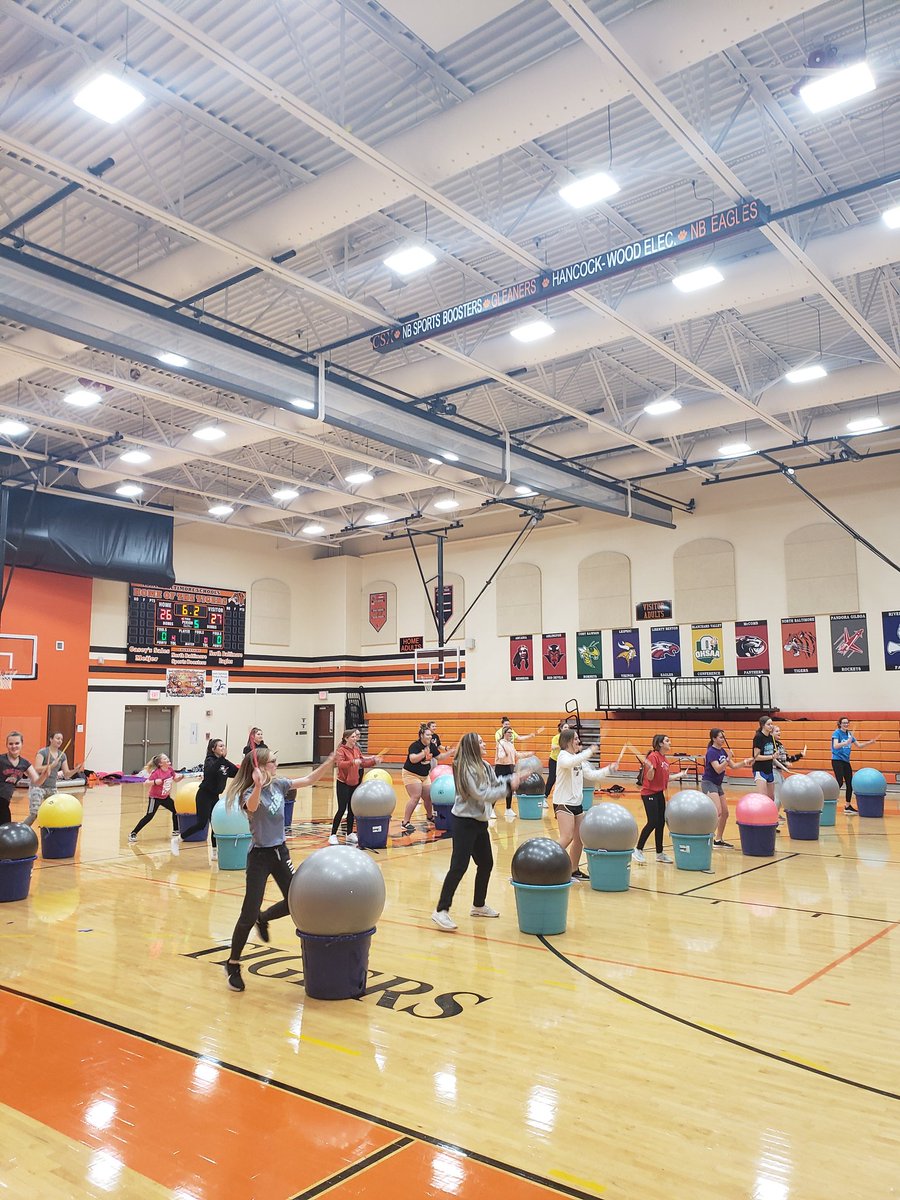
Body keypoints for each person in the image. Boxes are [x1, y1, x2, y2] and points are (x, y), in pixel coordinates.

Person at [224, 746, 335, 992]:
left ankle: (263, 918)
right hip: (260, 857)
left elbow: (307, 780)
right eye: (272, 762)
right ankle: (232, 963)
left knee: (295, 900)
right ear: (260, 767)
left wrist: (329, 762)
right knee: (247, 912)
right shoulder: (250, 792)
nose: (276, 765)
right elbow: (252, 808)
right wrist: (259, 786)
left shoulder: (280, 784)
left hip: (280, 852)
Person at [432, 732, 519, 931]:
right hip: (464, 822)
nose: (484, 743)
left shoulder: (485, 765)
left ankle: (478, 905)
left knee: (486, 863)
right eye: (480, 741)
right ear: (472, 746)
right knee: (459, 866)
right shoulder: (465, 768)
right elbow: (481, 794)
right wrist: (507, 788)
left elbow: (495, 783)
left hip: (479, 821)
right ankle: (441, 910)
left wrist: (510, 779)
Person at [554, 729, 625, 879]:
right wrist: (588, 752)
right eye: (575, 739)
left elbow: (592, 775)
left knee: (579, 839)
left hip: (577, 804)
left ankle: (573, 870)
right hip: (563, 803)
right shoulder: (563, 756)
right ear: (567, 742)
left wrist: (609, 769)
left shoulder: (579, 760)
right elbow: (569, 763)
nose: (578, 741)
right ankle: (548, 861)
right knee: (566, 837)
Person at [631, 734, 686, 864]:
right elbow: (650, 778)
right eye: (667, 740)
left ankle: (659, 853)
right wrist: (650, 769)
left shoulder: (665, 760)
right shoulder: (653, 756)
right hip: (649, 793)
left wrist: (680, 774)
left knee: (660, 822)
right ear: (660, 744)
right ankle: (638, 849)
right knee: (653, 821)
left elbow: (666, 778)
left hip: (659, 793)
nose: (670, 742)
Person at [180, 738, 239, 854]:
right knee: (201, 824)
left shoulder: (224, 762)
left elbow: (236, 773)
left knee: (215, 824)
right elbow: (211, 771)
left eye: (224, 746)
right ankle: (179, 839)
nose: (223, 748)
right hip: (204, 795)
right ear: (213, 749)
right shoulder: (209, 760)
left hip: (214, 796)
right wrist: (222, 759)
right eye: (220, 746)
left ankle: (214, 851)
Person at [332, 729, 383, 845]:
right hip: (343, 783)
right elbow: (340, 764)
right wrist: (352, 762)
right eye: (353, 737)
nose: (355, 739)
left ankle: (349, 833)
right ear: (346, 738)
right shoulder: (341, 750)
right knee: (341, 809)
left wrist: (374, 761)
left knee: (352, 809)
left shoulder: (356, 749)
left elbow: (362, 762)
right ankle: (333, 834)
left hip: (354, 782)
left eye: (356, 737)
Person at [701, 729, 749, 848]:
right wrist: (728, 758)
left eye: (724, 738)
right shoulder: (711, 752)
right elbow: (718, 769)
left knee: (725, 813)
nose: (723, 740)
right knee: (718, 811)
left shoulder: (722, 750)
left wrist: (745, 762)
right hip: (708, 783)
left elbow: (733, 766)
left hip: (717, 784)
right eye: (721, 737)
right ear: (714, 739)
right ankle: (707, 837)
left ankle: (718, 839)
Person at [29, 732, 82, 827]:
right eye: (57, 738)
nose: (60, 741)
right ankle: (23, 829)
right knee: (34, 814)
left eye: (61, 739)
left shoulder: (62, 755)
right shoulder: (43, 752)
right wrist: (51, 766)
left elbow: (66, 774)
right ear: (51, 739)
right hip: (38, 787)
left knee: (56, 811)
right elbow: (36, 768)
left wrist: (76, 770)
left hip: (52, 788)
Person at [831, 716, 879, 813]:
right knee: (839, 782)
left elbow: (859, 746)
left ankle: (847, 806)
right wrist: (846, 743)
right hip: (837, 760)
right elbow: (835, 746)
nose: (846, 724)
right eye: (844, 723)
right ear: (840, 724)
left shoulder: (850, 734)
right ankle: (829, 799)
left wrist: (870, 742)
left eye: (847, 722)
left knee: (850, 784)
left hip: (846, 761)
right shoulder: (837, 733)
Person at [129, 754, 182, 842]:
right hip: (155, 798)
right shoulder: (156, 772)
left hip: (165, 797)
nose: (167, 759)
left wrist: (180, 778)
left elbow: (175, 779)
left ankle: (176, 831)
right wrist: (154, 782)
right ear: (161, 763)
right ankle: (133, 833)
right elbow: (146, 783)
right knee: (149, 816)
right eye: (165, 759)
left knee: (176, 810)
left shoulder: (170, 769)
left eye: (167, 758)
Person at [0, 731, 48, 825]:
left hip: (5, 801)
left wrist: (44, 775)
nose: (14, 746)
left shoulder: (24, 763)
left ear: (22, 744)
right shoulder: (1, 760)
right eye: (11, 744)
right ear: (6, 745)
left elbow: (37, 782)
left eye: (17, 743)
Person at [401, 724, 437, 832]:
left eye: (431, 735)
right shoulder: (415, 746)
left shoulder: (432, 746)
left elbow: (439, 756)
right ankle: (405, 822)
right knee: (415, 797)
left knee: (428, 797)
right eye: (428, 735)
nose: (430, 737)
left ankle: (430, 816)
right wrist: (423, 753)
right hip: (411, 774)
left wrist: (451, 752)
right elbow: (412, 759)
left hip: (424, 775)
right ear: (421, 735)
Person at [772, 725, 806, 813]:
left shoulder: (780, 744)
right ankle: (774, 815)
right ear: (771, 733)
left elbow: (787, 758)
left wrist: (800, 755)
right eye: (776, 731)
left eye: (779, 731)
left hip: (779, 771)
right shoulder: (771, 745)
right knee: (778, 796)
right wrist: (784, 764)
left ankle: (776, 814)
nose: (779, 732)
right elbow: (773, 760)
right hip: (774, 771)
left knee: (781, 795)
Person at [494, 726, 520, 822]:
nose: (511, 734)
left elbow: (516, 754)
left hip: (510, 767)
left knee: (510, 789)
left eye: (511, 732)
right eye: (509, 732)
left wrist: (527, 754)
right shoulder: (500, 743)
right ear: (505, 733)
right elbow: (500, 756)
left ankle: (508, 809)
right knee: (497, 789)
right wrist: (504, 754)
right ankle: (491, 810)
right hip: (501, 768)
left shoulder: (511, 744)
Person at [751, 716, 778, 800]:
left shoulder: (771, 737)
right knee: (763, 798)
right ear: (763, 725)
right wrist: (771, 756)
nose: (771, 726)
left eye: (772, 724)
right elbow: (756, 757)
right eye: (768, 724)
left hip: (769, 769)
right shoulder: (758, 737)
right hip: (760, 769)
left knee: (771, 798)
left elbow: (771, 753)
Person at [544, 719, 569, 801]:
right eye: (565, 727)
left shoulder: (569, 738)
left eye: (568, 727)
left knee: (564, 778)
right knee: (552, 778)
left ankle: (563, 797)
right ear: (561, 729)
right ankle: (545, 796)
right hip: (554, 760)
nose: (567, 729)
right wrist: (562, 745)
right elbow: (553, 747)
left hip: (564, 761)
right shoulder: (556, 737)